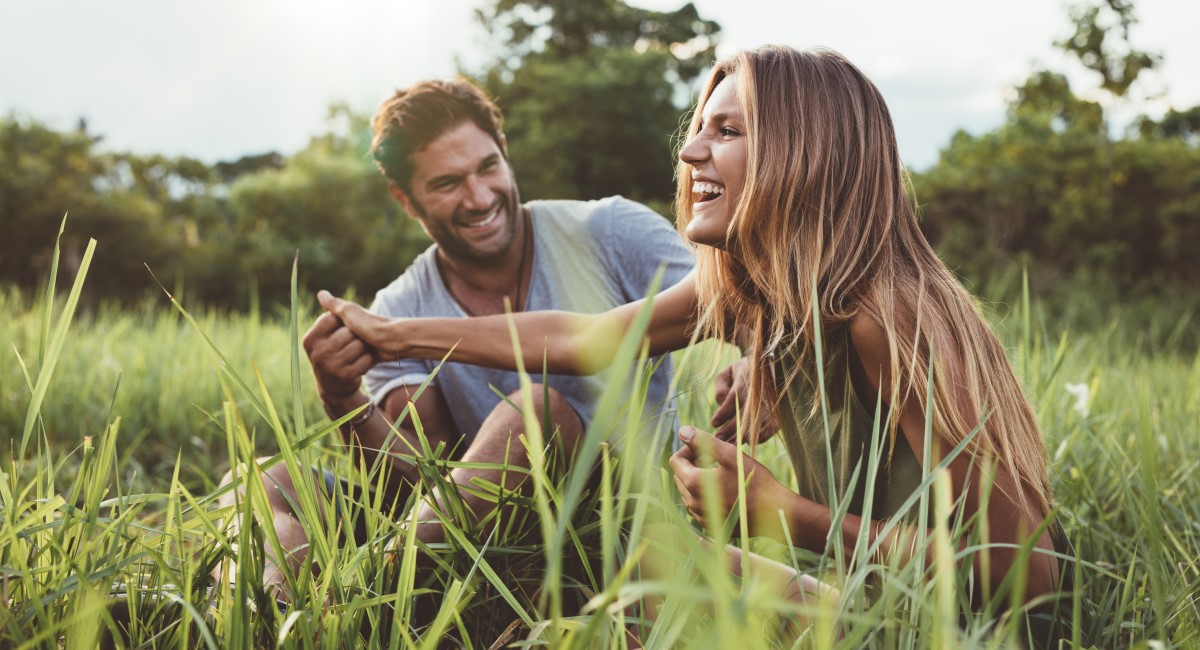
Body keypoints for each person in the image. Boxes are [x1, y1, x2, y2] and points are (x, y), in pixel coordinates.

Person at [319, 45, 1067, 631]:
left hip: (946, 628)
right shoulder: (764, 294)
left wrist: (785, 515)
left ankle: (353, 608)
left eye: (727, 131)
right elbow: (582, 339)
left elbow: (1024, 575)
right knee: (640, 564)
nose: (689, 153)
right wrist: (392, 333)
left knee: (648, 584)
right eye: (700, 128)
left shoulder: (888, 315)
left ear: (802, 154)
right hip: (870, 594)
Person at [216, 78, 694, 598]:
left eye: (488, 167)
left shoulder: (611, 230)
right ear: (406, 199)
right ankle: (270, 612)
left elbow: (737, 304)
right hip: (470, 541)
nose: (479, 197)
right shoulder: (397, 305)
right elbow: (414, 482)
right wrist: (341, 397)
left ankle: (361, 601)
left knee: (537, 412)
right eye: (447, 184)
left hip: (615, 528)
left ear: (505, 152)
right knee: (260, 480)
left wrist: (751, 361)